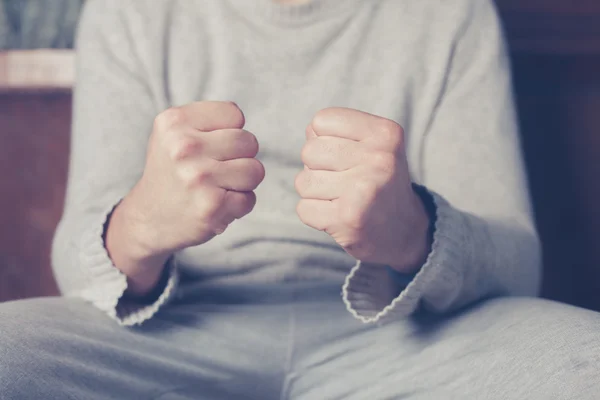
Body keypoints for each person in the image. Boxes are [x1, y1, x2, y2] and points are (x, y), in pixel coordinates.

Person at [1, 0, 599, 398]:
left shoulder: (449, 13)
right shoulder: (130, 10)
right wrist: (141, 225)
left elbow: (519, 266)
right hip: (170, 334)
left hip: (404, 340)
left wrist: (412, 231)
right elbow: (77, 269)